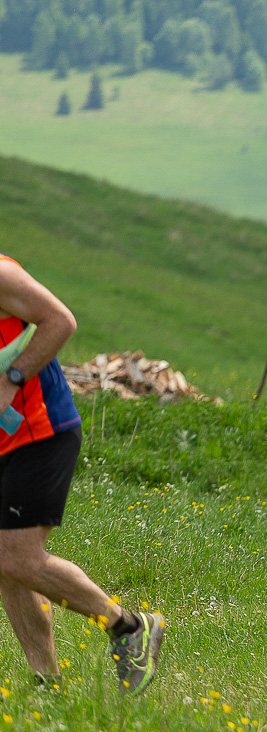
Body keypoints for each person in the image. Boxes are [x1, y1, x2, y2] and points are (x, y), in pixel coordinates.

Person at [0, 254, 165, 692]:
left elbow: (61, 321)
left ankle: (130, 627)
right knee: (6, 565)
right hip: (5, 438)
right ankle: (46, 682)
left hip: (42, 431)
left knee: (18, 558)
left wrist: (12, 378)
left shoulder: (1, 275)